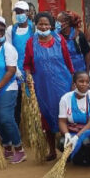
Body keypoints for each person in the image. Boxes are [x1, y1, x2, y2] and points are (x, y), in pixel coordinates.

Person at [24, 12, 74, 160]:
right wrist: (28, 76)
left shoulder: (59, 39)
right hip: (42, 87)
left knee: (66, 115)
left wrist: (73, 81)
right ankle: (52, 151)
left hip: (63, 85)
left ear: (51, 26)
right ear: (36, 25)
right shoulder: (31, 42)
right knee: (46, 118)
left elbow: (68, 61)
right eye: (40, 24)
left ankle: (69, 150)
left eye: (46, 24)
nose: (43, 27)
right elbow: (27, 64)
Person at [0, 17, 26, 164]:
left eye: (2, 30)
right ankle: (7, 146)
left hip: (7, 88)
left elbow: (11, 70)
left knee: (5, 117)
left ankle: (19, 149)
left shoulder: (8, 48)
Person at [58, 71, 90, 166]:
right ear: (74, 83)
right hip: (73, 130)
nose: (85, 84)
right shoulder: (65, 98)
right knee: (62, 142)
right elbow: (62, 121)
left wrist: (77, 137)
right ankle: (77, 155)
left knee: (85, 142)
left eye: (87, 82)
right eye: (81, 81)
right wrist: (67, 134)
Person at [6, 1, 35, 125]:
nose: (19, 15)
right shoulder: (11, 30)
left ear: (27, 13)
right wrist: (16, 70)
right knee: (17, 103)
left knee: (32, 100)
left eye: (21, 12)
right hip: (15, 70)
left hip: (32, 70)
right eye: (17, 12)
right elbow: (9, 50)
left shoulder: (33, 28)